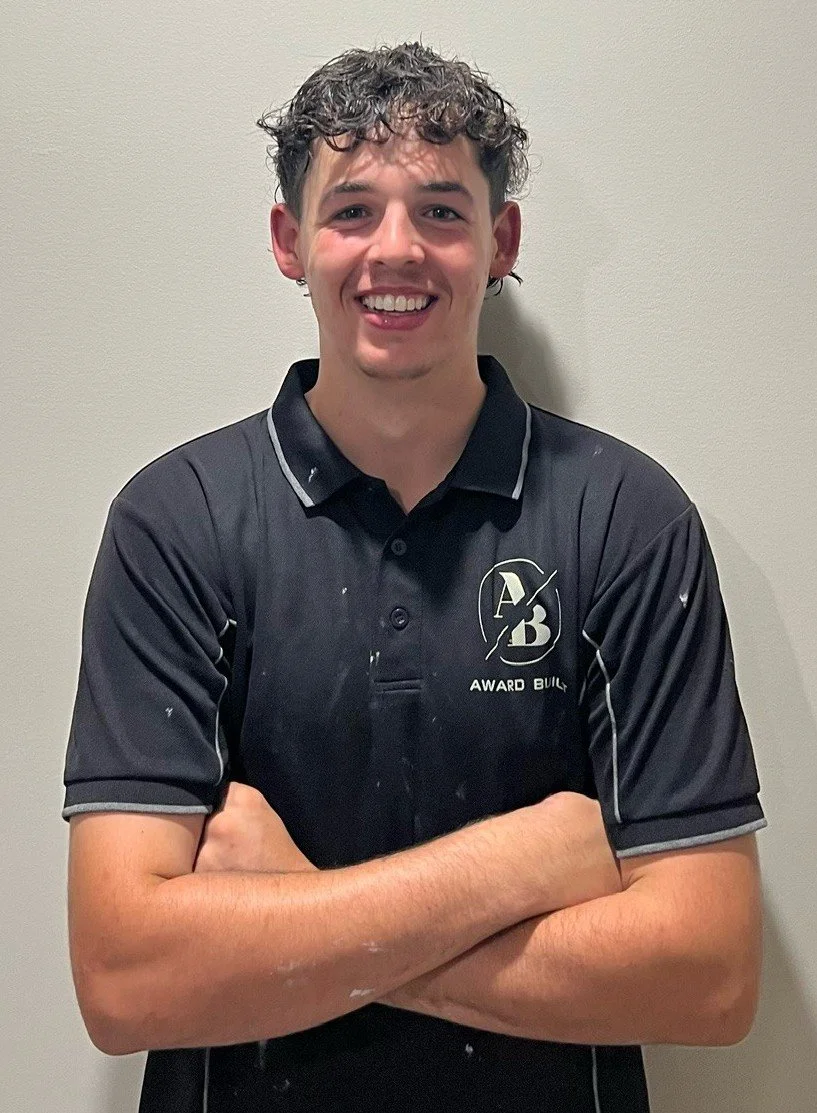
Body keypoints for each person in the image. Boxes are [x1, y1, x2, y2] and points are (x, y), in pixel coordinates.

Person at [63, 42, 766, 1113]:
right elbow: (124, 982)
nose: (395, 249)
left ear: (500, 242)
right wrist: (518, 865)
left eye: (440, 211)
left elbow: (708, 976)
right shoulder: (178, 520)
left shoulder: (624, 517)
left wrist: (294, 909)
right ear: (289, 242)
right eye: (351, 211)